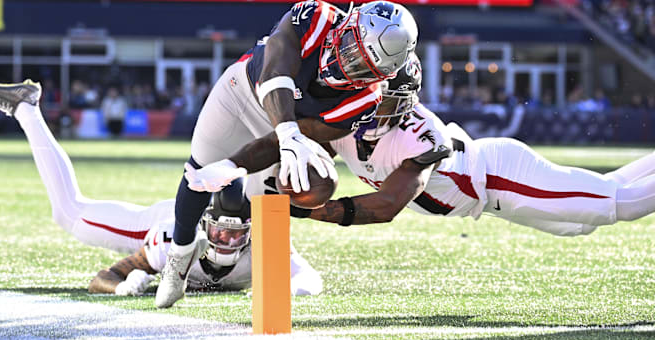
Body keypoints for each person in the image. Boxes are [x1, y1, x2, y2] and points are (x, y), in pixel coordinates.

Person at [191, 55, 655, 237]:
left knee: (620, 205)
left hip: (501, 177)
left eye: (393, 97)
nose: (382, 106)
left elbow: (389, 205)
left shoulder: (422, 135)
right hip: (486, 204)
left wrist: (308, 212)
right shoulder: (346, 119)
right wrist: (230, 166)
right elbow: (283, 141)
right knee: (584, 224)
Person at [159, 0, 418, 308]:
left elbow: (279, 142)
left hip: (283, 130)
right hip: (241, 92)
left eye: (361, 65)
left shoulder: (362, 103)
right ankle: (179, 258)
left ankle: (273, 280)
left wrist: (234, 164)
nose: (346, 61)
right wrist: (287, 131)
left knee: (287, 192)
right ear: (348, 23)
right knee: (197, 174)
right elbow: (274, 70)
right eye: (350, 44)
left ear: (379, 77)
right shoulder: (316, 16)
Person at [0, 80, 323, 297]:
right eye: (220, 231)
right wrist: (124, 285)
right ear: (201, 224)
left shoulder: (265, 243)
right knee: (68, 213)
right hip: (154, 222)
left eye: (236, 234)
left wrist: (291, 288)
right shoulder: (172, 238)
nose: (229, 241)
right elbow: (108, 275)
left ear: (251, 231)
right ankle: (26, 108)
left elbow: (308, 277)